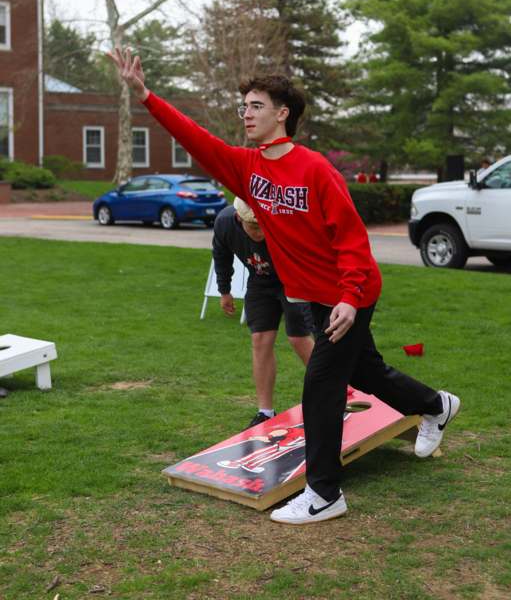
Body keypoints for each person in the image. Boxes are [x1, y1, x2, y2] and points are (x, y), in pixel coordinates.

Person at [109, 48, 461, 526]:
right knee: (366, 372)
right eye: (244, 107)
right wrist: (145, 95)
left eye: (255, 106)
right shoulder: (248, 168)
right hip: (314, 297)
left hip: (348, 293)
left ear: (282, 114)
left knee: (320, 386)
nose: (246, 115)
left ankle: (323, 493)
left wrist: (351, 298)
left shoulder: (315, 169)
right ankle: (435, 405)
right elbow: (196, 139)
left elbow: (352, 238)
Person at [213, 197, 314, 428]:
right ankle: (265, 412)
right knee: (260, 339)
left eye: (263, 226)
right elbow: (221, 255)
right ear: (239, 219)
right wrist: (224, 291)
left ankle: (338, 389)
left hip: (292, 280)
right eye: (254, 226)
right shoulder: (225, 223)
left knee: (298, 338)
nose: (259, 232)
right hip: (259, 281)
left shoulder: (283, 224)